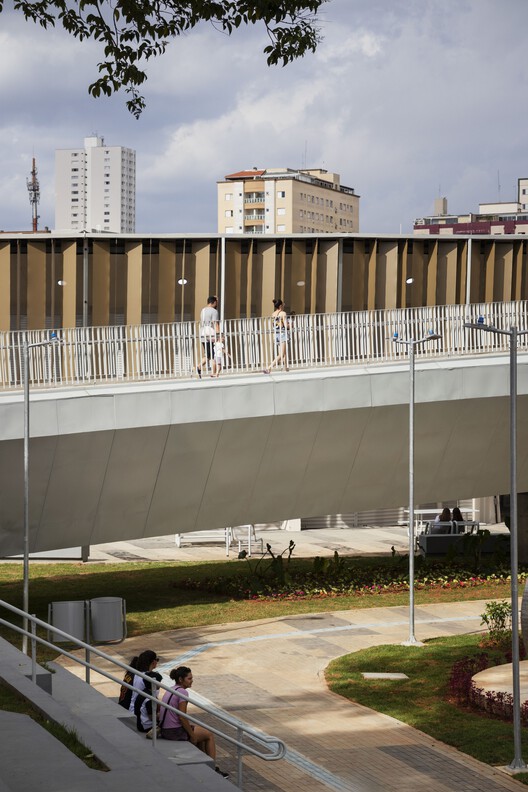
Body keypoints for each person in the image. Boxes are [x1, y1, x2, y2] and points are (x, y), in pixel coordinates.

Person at [160, 665, 229, 779]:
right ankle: (213, 769)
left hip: (166, 728)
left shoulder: (171, 689)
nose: (192, 681)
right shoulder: (183, 692)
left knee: (201, 734)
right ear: (181, 680)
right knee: (209, 735)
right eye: (189, 679)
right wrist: (192, 736)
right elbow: (182, 717)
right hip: (173, 731)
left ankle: (206, 765)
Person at [129, 649, 162, 732]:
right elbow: (153, 701)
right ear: (153, 662)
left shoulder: (138, 674)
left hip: (135, 708)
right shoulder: (149, 679)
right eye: (157, 660)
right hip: (143, 713)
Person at [263, 298, 289, 373]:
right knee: (281, 354)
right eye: (283, 304)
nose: (283, 306)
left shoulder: (273, 314)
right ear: (280, 306)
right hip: (282, 334)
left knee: (284, 353)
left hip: (276, 335)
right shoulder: (283, 313)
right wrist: (291, 326)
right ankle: (269, 367)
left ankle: (286, 368)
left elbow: (274, 325)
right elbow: (286, 325)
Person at [197, 295, 219, 378]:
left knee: (209, 354)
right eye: (216, 303)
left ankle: (199, 367)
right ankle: (213, 373)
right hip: (210, 334)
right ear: (213, 303)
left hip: (202, 333)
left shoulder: (203, 310)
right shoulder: (214, 311)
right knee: (213, 354)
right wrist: (219, 334)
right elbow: (215, 323)